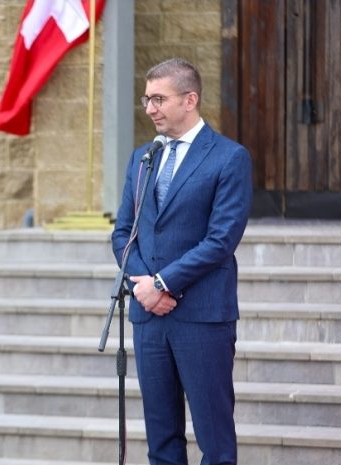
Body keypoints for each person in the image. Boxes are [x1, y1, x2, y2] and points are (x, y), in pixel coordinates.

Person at [111, 58, 252, 465]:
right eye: (146, 99)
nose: (150, 108)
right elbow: (123, 233)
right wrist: (144, 286)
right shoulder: (143, 158)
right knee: (161, 442)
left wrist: (162, 283)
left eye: (159, 99)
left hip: (202, 317)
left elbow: (221, 240)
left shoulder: (229, 157)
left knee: (215, 441)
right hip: (149, 318)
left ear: (190, 100)